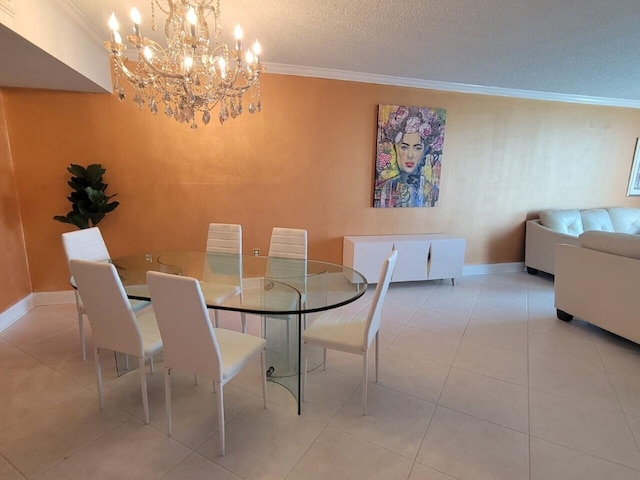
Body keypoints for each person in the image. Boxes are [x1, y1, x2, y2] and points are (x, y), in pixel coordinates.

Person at [374, 105, 446, 208]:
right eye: (404, 147)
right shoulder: (383, 190)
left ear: (425, 151)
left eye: (417, 148)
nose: (410, 155)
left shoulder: (433, 193)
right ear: (395, 148)